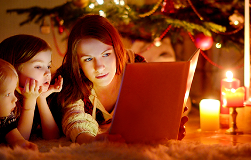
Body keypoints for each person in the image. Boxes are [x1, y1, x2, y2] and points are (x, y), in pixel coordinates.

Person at [52, 14, 188, 144]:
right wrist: (91, 140)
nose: (99, 67)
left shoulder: (135, 65)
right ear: (78, 63)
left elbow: (153, 102)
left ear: (117, 50)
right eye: (88, 59)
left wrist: (168, 123)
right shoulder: (72, 80)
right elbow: (74, 120)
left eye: (106, 54)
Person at [0, 34, 62, 140]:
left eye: (48, 66)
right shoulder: (5, 100)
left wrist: (41, 98)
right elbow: (20, 142)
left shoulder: (37, 94)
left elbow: (53, 137)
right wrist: (29, 101)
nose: (48, 72)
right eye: (38, 66)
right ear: (14, 70)